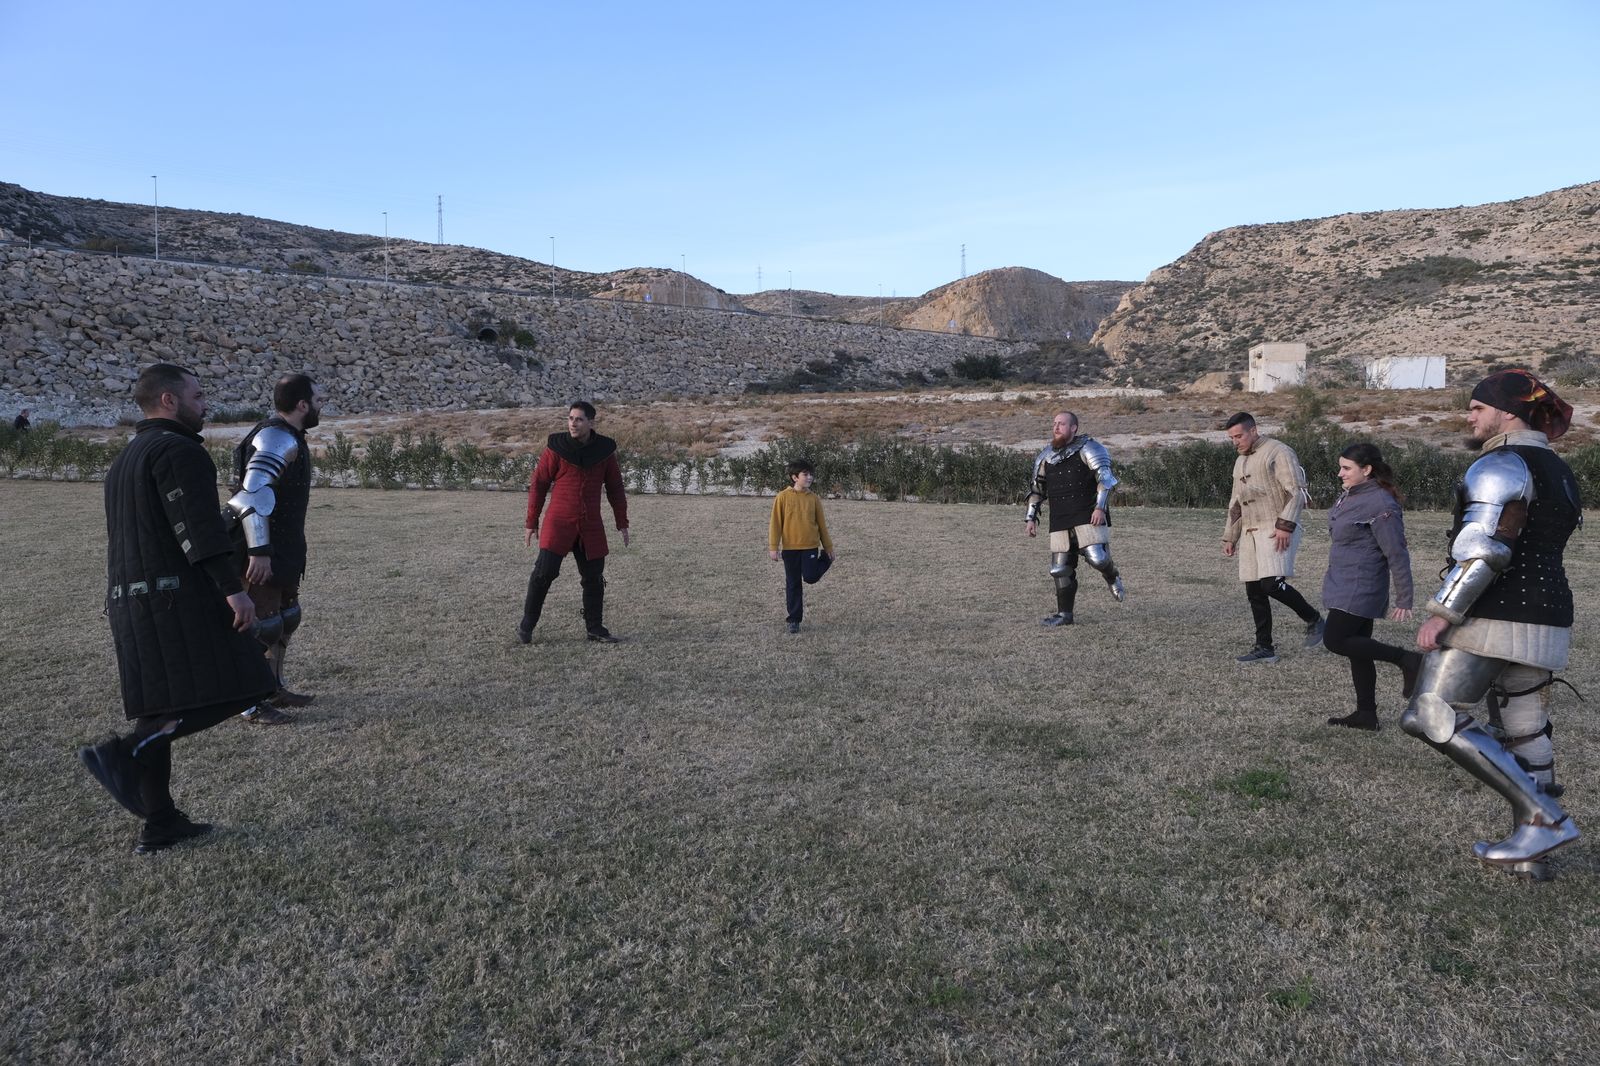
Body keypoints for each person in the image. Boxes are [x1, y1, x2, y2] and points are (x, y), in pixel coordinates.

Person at [77, 364, 278, 854]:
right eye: (198, 394)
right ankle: (125, 753)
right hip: (173, 599)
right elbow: (200, 528)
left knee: (158, 713)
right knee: (249, 681)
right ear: (169, 401)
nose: (205, 403)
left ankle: (160, 822)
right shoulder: (179, 450)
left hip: (130, 601)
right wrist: (234, 590)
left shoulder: (127, 458)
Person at [1402, 369, 1582, 877]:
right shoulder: (1559, 470)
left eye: (1478, 407)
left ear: (1508, 411)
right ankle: (1535, 853)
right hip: (1548, 612)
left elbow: (1484, 551)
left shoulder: (1502, 464)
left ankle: (1542, 818)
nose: (1469, 416)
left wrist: (1442, 614)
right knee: (1526, 728)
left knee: (1430, 711)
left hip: (1496, 611)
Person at [225, 373, 322, 726]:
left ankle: (274, 686)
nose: (320, 406)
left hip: (285, 545)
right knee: (258, 624)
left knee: (284, 619)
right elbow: (252, 495)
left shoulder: (290, 436)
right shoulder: (277, 437)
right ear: (302, 404)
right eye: (317, 400)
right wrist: (259, 551)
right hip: (262, 548)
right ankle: (247, 701)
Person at [1321, 443, 1422, 731]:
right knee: (1358, 650)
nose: (1340, 473)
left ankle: (1408, 659)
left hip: (1361, 584)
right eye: (1341, 467)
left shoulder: (1381, 504)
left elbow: (1397, 552)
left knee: (1335, 639)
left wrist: (1405, 597)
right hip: (1342, 580)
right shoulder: (1351, 495)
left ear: (1367, 470)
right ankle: (1366, 713)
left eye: (1347, 468)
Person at [518, 401, 630, 644]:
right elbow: (538, 485)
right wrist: (531, 522)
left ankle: (595, 628)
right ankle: (527, 626)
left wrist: (622, 521)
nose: (573, 423)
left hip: (590, 524)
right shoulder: (556, 449)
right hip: (559, 522)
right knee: (543, 573)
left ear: (591, 422)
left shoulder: (604, 452)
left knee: (594, 578)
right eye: (570, 418)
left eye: (579, 419)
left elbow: (615, 488)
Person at [1222, 412, 1325, 663]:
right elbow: (1236, 504)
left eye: (1239, 436)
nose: (1235, 441)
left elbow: (1296, 492)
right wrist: (1230, 537)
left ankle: (1315, 619)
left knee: (1270, 584)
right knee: (1254, 590)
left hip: (1275, 526)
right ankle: (1264, 647)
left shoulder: (1278, 451)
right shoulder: (1240, 462)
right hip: (1250, 530)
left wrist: (1285, 526)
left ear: (1253, 430)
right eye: (1231, 438)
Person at [1024, 411, 1125, 625]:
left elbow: (1105, 480)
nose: (1057, 427)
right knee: (1060, 569)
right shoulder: (1045, 456)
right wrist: (1030, 518)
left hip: (1087, 514)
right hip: (1060, 517)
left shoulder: (1090, 448)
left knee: (1097, 558)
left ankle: (1112, 576)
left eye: (1062, 423)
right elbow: (1036, 491)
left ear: (1074, 427)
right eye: (1054, 423)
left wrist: (1100, 508)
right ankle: (1064, 615)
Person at [768, 458, 836, 633]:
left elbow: (822, 525)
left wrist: (828, 548)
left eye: (811, 474)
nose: (809, 477)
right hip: (790, 550)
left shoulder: (814, 499)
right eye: (805, 474)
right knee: (793, 584)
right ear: (794, 477)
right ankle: (794, 620)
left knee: (811, 577)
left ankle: (824, 560)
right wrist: (773, 547)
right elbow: (775, 524)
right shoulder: (782, 497)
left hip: (811, 547)